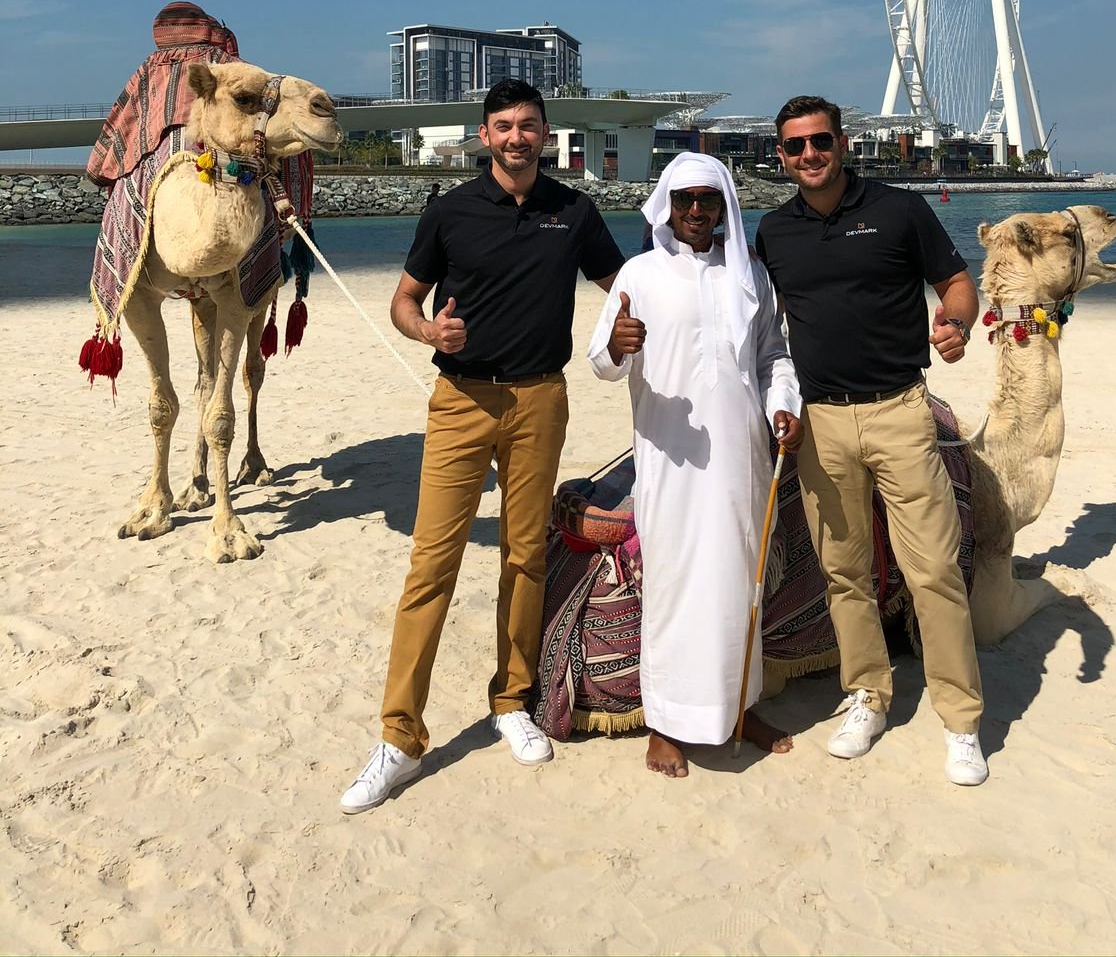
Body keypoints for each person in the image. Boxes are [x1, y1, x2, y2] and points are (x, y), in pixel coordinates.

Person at [341, 78, 624, 814]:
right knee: (431, 563)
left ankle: (511, 701)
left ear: (545, 134)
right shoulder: (451, 210)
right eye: (503, 126)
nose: (516, 137)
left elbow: (629, 287)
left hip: (541, 399)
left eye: (528, 125)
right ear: (484, 135)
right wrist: (428, 331)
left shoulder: (575, 211)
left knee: (525, 557)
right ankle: (400, 736)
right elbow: (404, 300)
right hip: (461, 401)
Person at [754, 95, 988, 787]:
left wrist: (955, 323)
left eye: (820, 141)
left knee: (934, 570)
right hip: (821, 421)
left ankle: (961, 719)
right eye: (794, 146)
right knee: (844, 572)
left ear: (843, 143)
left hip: (900, 411)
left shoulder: (899, 210)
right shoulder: (774, 231)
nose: (809, 155)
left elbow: (956, 283)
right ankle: (867, 694)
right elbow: (755, 322)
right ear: (781, 155)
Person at [587, 153, 803, 779]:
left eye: (709, 199)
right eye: (684, 199)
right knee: (676, 581)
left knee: (740, 580)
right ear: (667, 206)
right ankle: (665, 722)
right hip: (669, 458)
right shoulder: (640, 273)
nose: (696, 210)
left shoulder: (750, 275)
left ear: (725, 206)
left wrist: (783, 405)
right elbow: (601, 363)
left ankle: (739, 709)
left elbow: (772, 355)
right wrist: (617, 346)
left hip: (742, 456)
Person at [87, 1, 240, 187]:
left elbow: (125, 114)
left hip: (156, 154)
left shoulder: (152, 64)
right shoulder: (226, 63)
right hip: (216, 151)